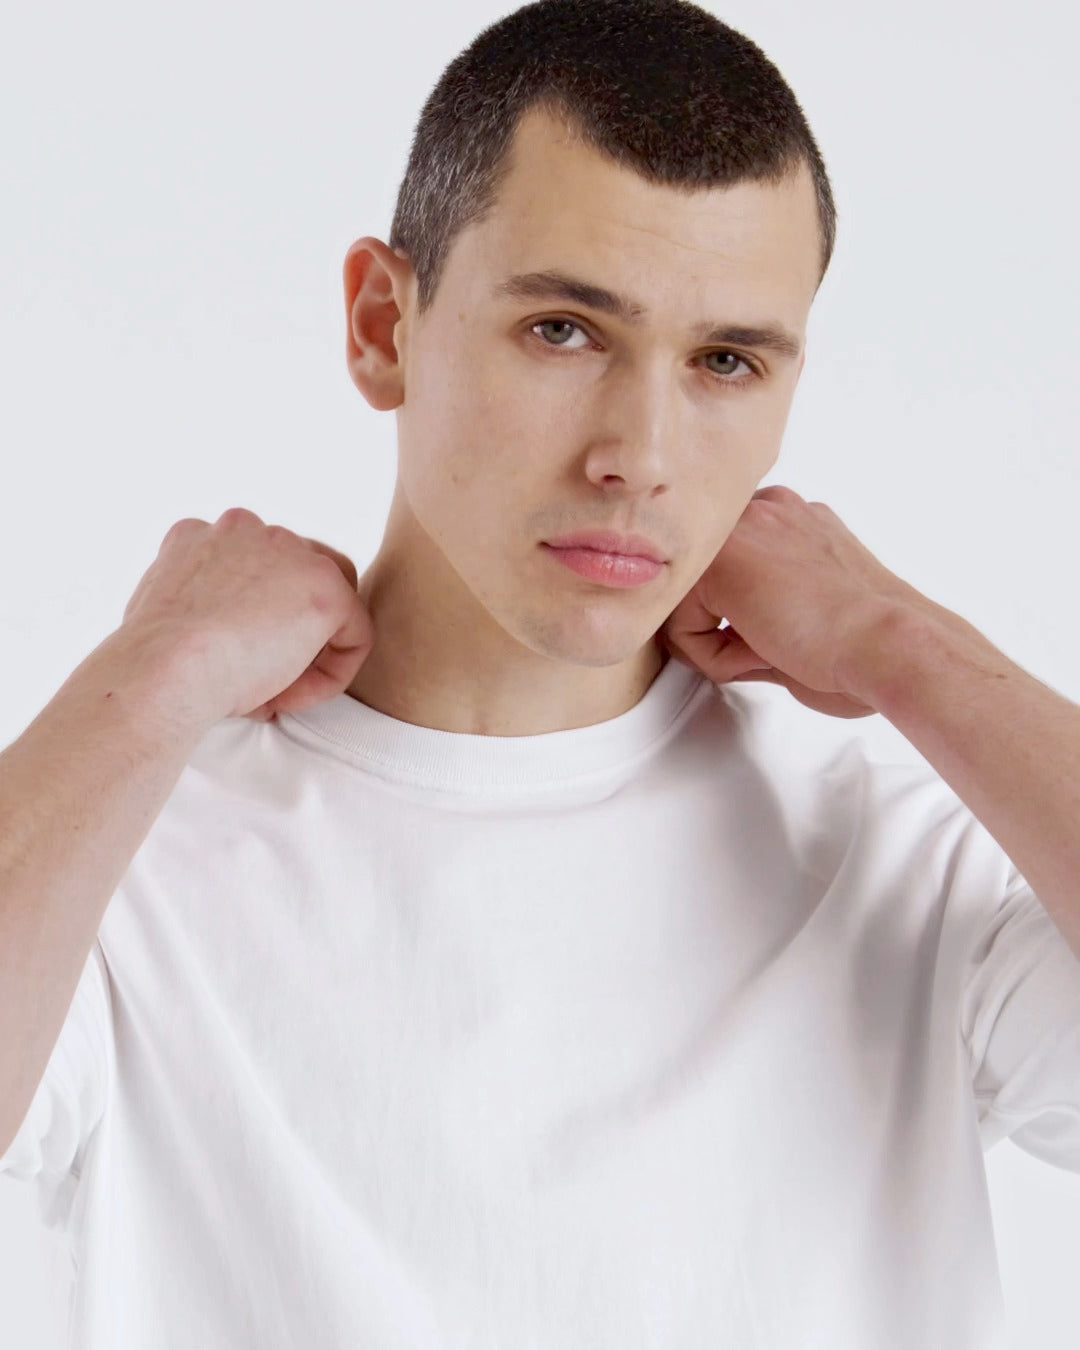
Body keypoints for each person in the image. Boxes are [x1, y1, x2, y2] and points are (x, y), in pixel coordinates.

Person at [1, 0, 1078, 1346]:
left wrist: (906, 646)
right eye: (565, 330)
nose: (640, 455)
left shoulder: (900, 868)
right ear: (383, 324)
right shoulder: (129, 857)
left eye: (727, 361)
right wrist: (157, 672)